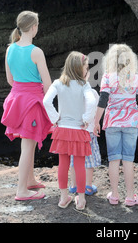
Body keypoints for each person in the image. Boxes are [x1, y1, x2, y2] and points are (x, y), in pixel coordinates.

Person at [1, 11, 52, 201]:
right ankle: (22, 190)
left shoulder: (10, 49)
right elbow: (47, 85)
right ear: (33, 27)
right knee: (28, 146)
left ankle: (30, 180)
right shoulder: (36, 52)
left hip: (16, 100)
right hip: (32, 103)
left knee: (27, 143)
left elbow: (10, 80)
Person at [93, 44, 138, 207]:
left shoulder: (107, 77)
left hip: (112, 122)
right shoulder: (136, 78)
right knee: (128, 160)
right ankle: (131, 197)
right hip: (131, 123)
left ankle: (115, 195)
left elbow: (102, 100)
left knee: (113, 159)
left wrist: (96, 121)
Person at [43, 52, 96, 210]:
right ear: (79, 68)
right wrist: (86, 119)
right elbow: (92, 102)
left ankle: (63, 197)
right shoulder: (83, 85)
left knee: (63, 164)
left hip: (62, 130)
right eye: (86, 68)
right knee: (79, 165)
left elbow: (46, 101)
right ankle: (80, 200)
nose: (87, 71)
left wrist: (55, 118)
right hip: (78, 130)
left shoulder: (58, 83)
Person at [69, 88, 101, 196]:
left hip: (74, 132)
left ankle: (74, 186)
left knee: (74, 157)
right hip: (89, 132)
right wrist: (96, 123)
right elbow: (97, 110)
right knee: (89, 159)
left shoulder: (70, 92)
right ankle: (88, 186)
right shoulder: (93, 93)